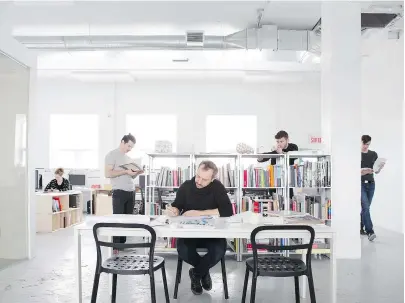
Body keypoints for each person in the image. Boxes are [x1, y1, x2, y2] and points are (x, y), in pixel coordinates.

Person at [166, 161, 233, 296]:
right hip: (189, 233)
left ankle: (196, 274)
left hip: (212, 233)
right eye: (198, 176)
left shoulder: (217, 187)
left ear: (212, 179)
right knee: (183, 249)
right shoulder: (186, 186)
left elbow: (227, 210)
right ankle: (203, 271)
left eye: (204, 179)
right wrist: (174, 210)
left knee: (219, 250)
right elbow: (177, 205)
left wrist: (199, 213)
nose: (199, 181)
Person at [105, 133, 143, 247]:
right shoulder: (111, 155)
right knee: (118, 221)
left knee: (127, 221)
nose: (130, 149)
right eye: (129, 146)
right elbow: (108, 173)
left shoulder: (128, 158)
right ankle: (116, 247)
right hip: (119, 191)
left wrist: (137, 173)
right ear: (122, 142)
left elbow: (130, 176)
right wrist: (125, 171)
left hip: (131, 191)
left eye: (131, 147)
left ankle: (123, 245)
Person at [257, 130, 298, 200]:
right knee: (274, 203)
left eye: (281, 141)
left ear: (287, 140)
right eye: (277, 141)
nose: (279, 144)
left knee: (289, 200)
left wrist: (281, 153)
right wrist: (259, 157)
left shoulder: (293, 147)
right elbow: (266, 156)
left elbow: (294, 156)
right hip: (274, 181)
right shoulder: (276, 150)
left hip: (287, 181)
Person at [360, 135, 384, 242]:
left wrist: (380, 168)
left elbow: (376, 171)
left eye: (368, 144)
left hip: (371, 184)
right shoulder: (357, 154)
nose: (366, 146)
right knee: (365, 207)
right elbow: (354, 170)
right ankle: (370, 231)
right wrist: (363, 171)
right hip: (360, 184)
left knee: (366, 208)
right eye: (364, 144)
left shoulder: (373, 154)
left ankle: (360, 227)